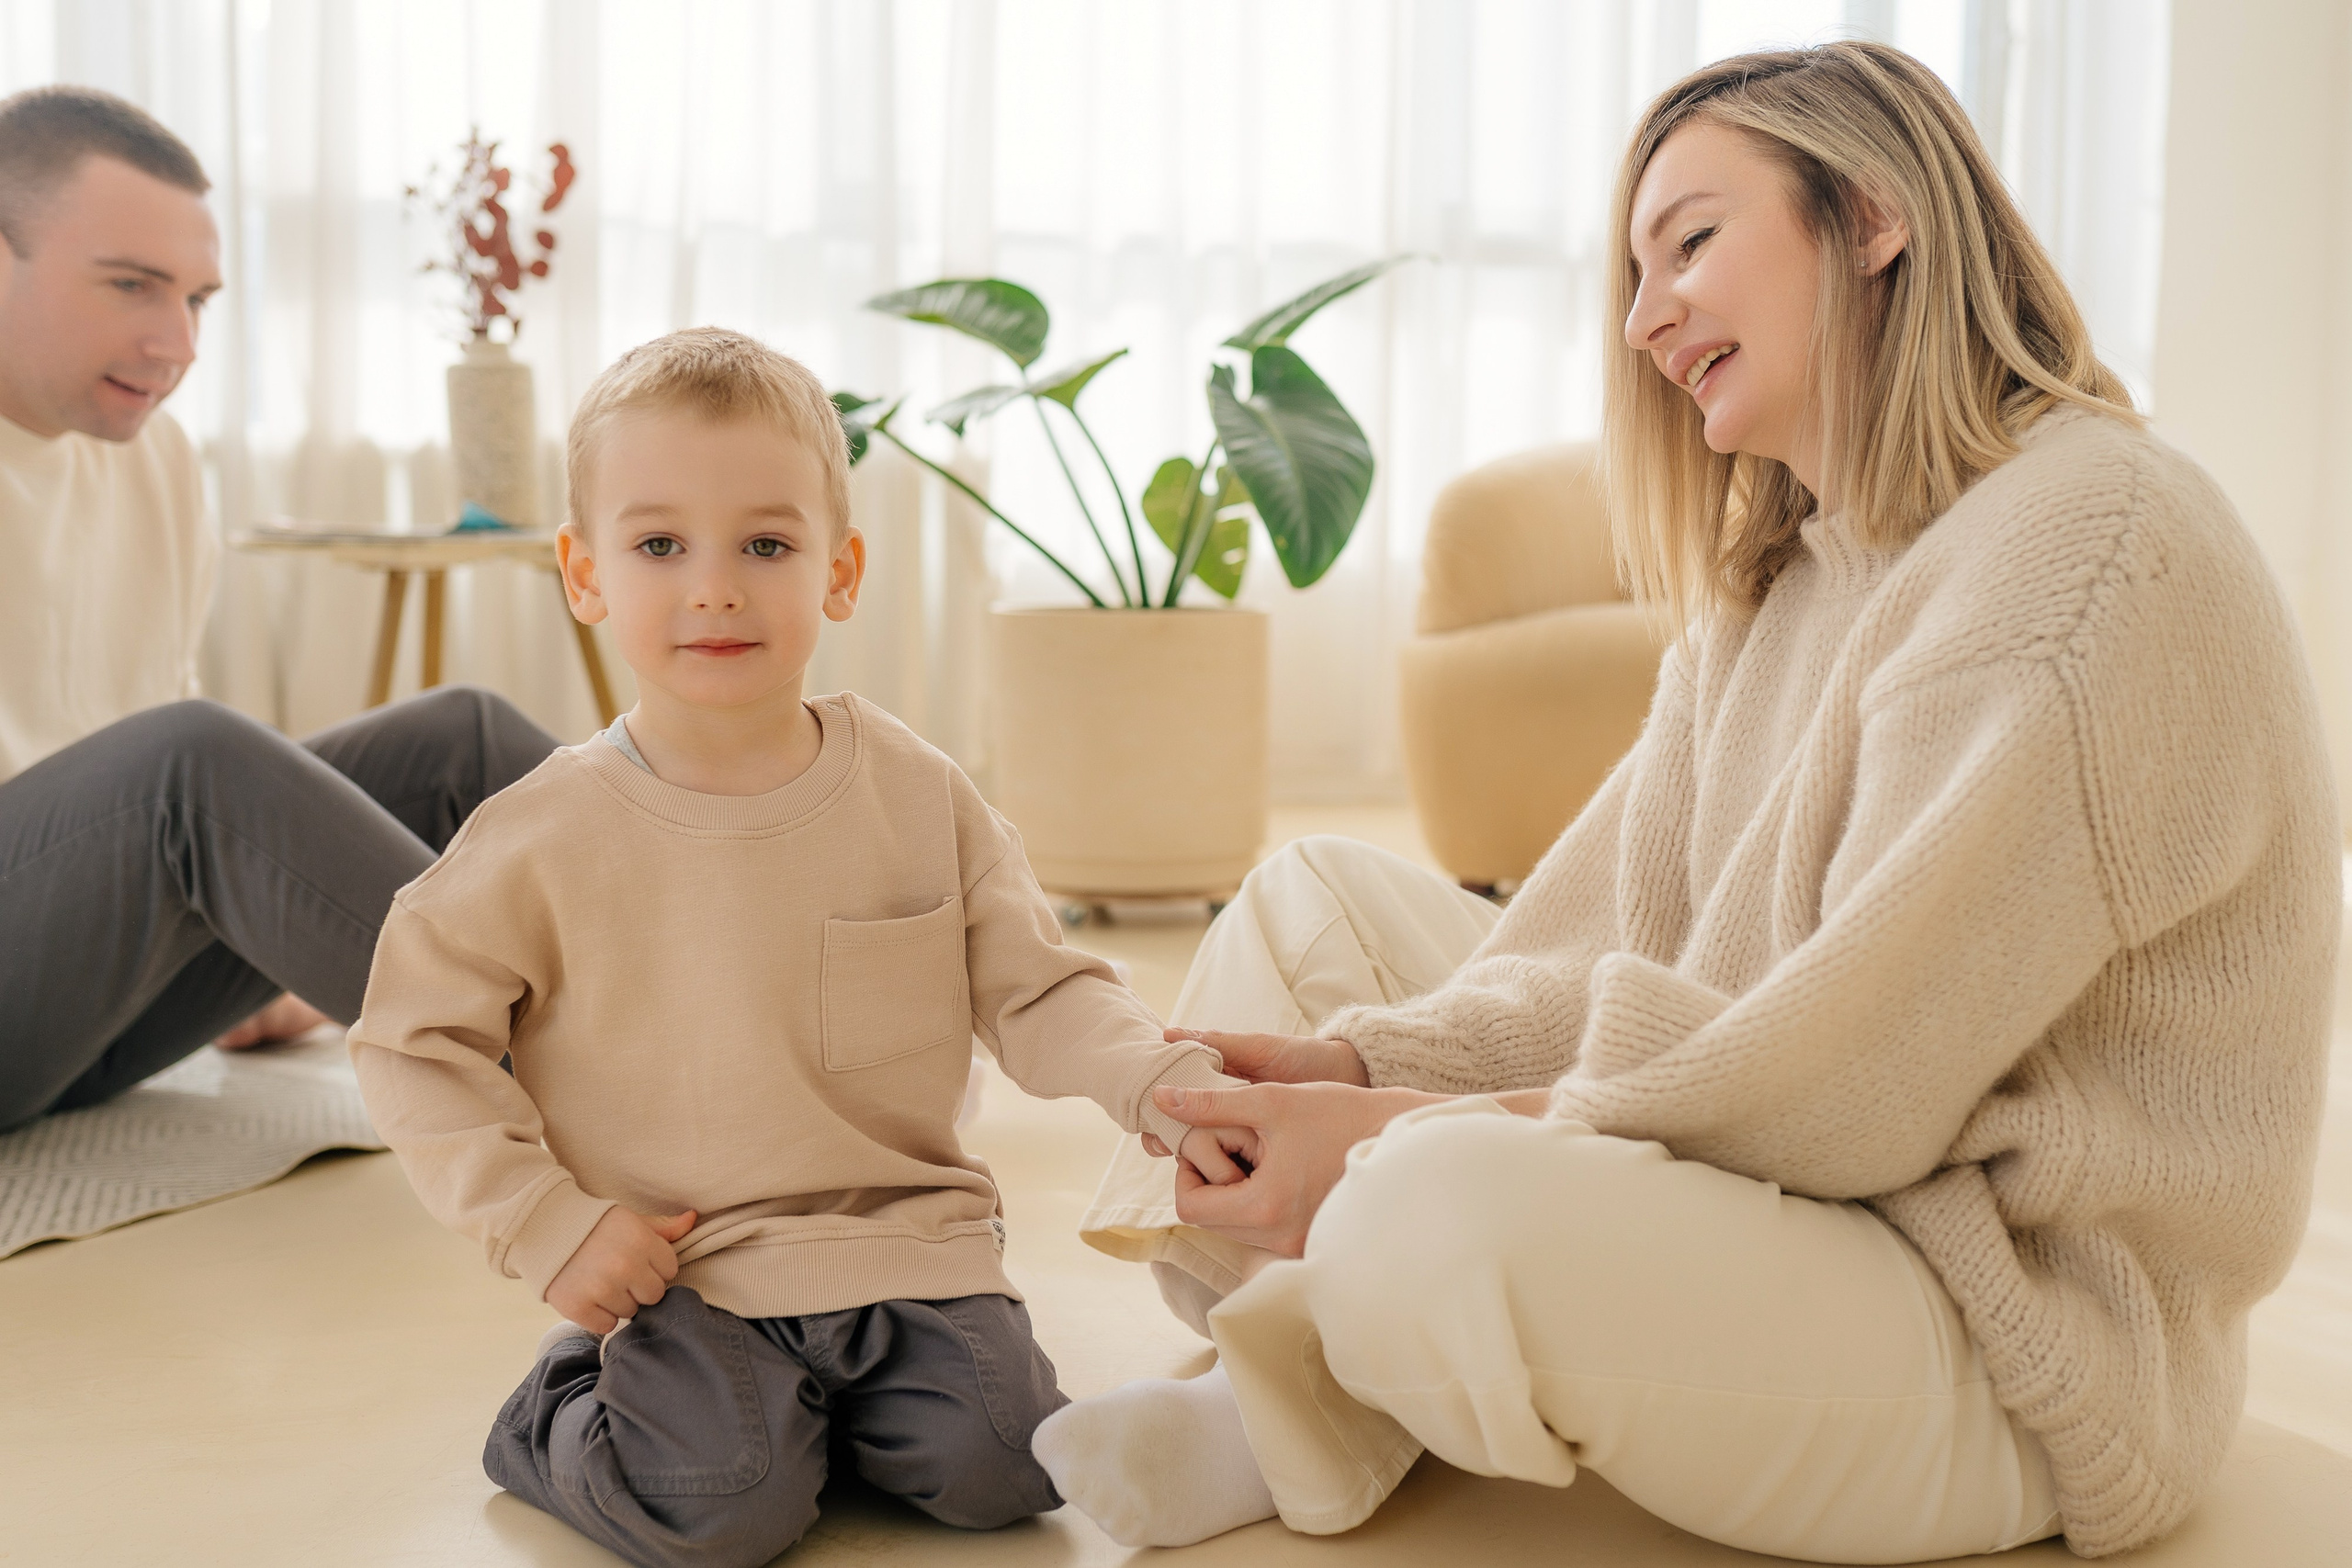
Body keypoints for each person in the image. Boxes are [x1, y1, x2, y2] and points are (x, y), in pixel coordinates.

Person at [1033, 40, 2337, 1564]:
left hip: (2000, 1336)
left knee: (1431, 1196)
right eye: (1633, 275)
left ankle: (1295, 1371)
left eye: (1693, 242)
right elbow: (1611, 950)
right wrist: (1349, 1060)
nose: (1647, 319)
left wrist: (1383, 1129)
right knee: (1306, 902)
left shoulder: (2085, 546)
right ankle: (1327, 1348)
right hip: (1800, 1200)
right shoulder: (1779, 576)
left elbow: (1845, 1088)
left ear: (1870, 216)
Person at [346, 328, 1254, 1568]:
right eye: (659, 544)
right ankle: (565, 1407)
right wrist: (545, 1219)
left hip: (907, 1239)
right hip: (686, 1263)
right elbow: (412, 1036)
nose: (714, 585)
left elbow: (1039, 987)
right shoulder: (539, 832)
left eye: (765, 544)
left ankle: (812, 1415)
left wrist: (1159, 1080)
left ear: (840, 569)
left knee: (1006, 1464)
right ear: (584, 571)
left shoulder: (914, 788)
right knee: (723, 1505)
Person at [0, 85, 558, 1131]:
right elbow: (155, 786)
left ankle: (761, 999)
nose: (178, 341)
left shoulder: (154, 458)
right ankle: (649, 1097)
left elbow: (142, 779)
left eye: (198, 299)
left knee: (460, 738)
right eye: (130, 285)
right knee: (188, 764)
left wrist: (289, 931)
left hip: (83, 1006)